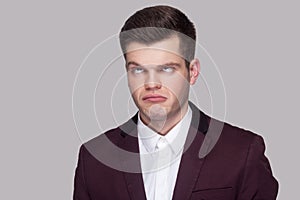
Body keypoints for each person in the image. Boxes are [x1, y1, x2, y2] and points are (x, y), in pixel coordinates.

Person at [73, 5, 278, 200]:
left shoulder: (242, 152)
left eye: (167, 69)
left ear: (193, 72)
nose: (151, 83)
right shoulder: (93, 159)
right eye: (138, 69)